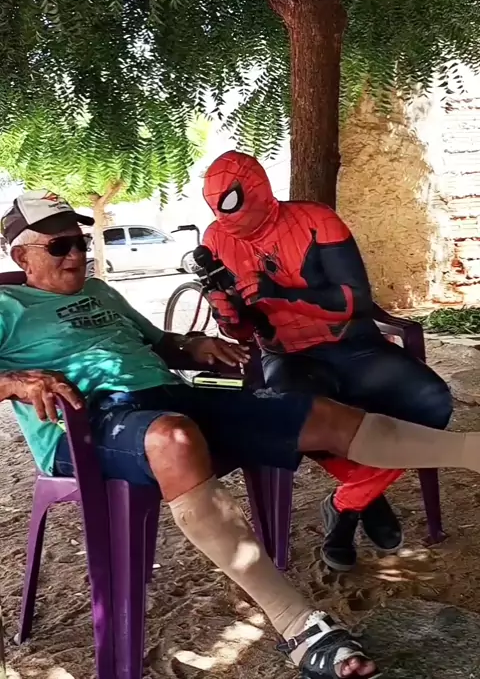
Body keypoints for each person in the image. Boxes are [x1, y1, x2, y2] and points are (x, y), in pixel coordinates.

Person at [1, 193, 479, 679]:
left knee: (322, 414)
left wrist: (197, 346)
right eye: (59, 246)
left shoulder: (100, 292)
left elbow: (162, 345)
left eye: (80, 242)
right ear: (22, 256)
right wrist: (17, 381)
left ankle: (471, 450)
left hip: (170, 399)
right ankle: (295, 623)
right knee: (175, 439)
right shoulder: (7, 305)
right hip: (87, 427)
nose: (76, 254)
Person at [202, 151, 454, 571]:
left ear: (258, 189)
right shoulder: (215, 241)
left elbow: (356, 299)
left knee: (432, 403)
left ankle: (347, 503)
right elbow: (242, 332)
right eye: (215, 207)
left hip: (354, 344)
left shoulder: (315, 220)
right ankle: (366, 495)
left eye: (230, 202)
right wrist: (227, 316)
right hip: (287, 356)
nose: (225, 217)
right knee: (297, 415)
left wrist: (280, 293)